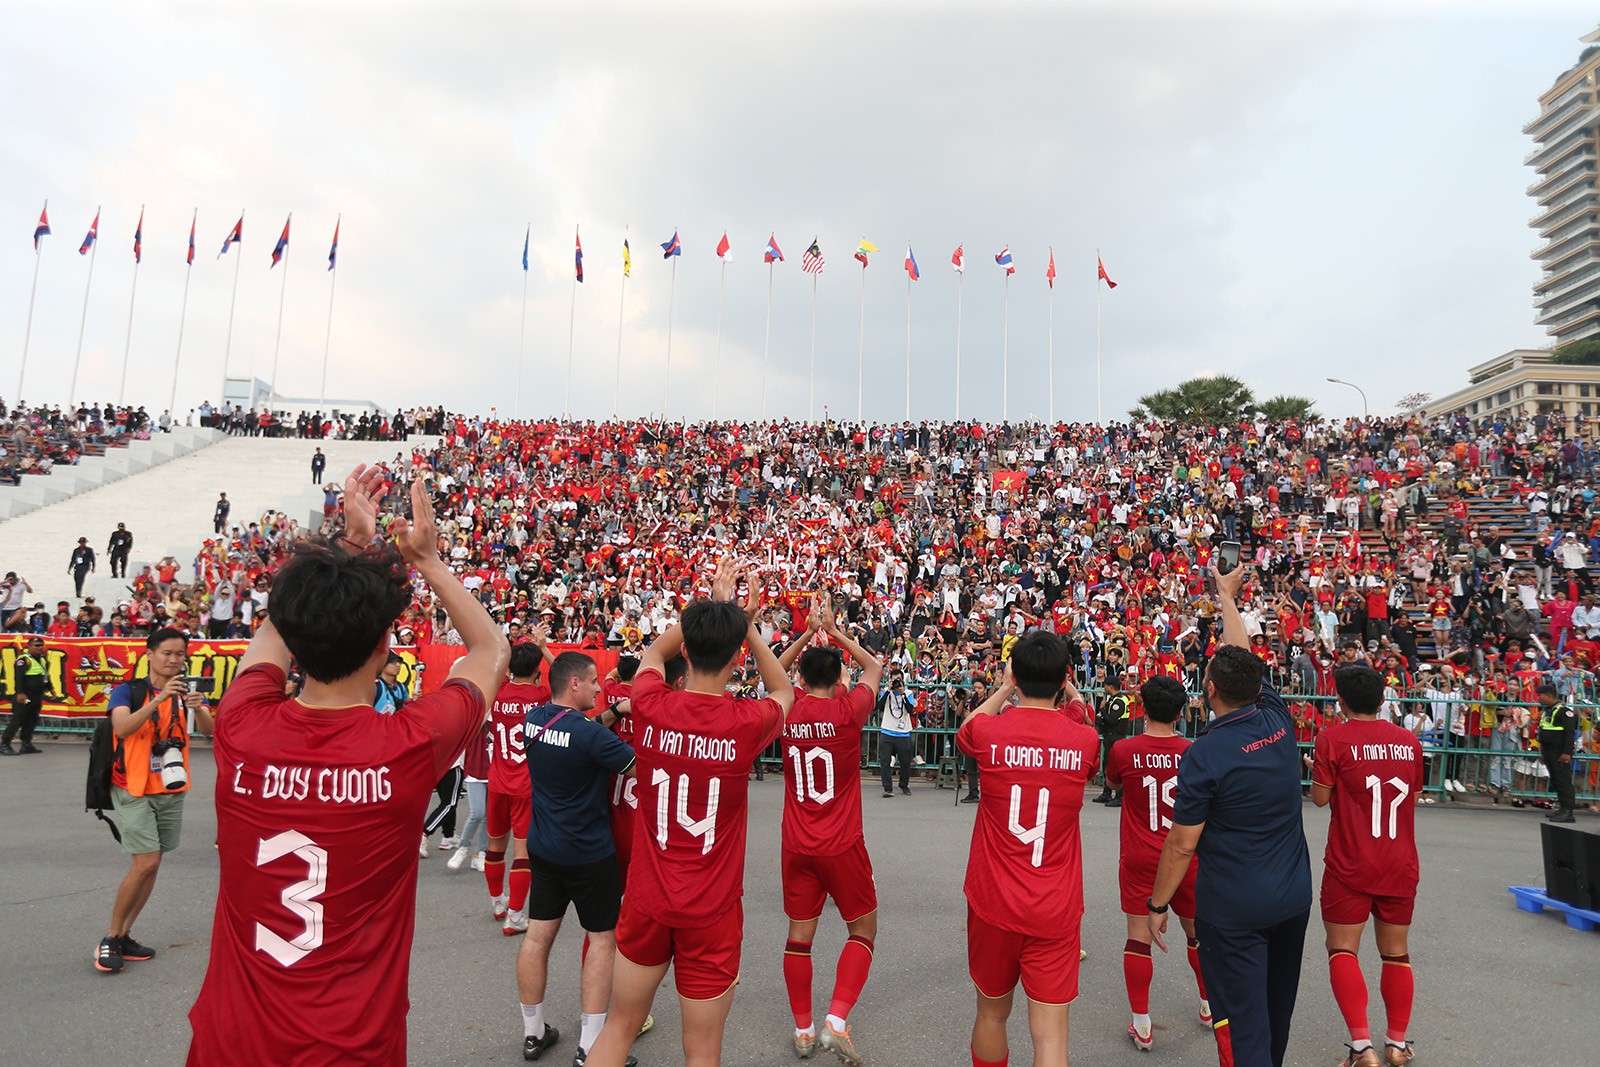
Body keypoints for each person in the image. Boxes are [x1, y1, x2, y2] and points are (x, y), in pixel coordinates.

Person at [185, 466, 509, 1065]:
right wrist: (427, 560)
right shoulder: (406, 746)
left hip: (230, 1041)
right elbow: (491, 650)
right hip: (351, 1047)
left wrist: (349, 545)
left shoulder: (241, 723)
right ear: (385, 646)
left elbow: (280, 626)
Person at [584, 558, 794, 1067]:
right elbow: (783, 690)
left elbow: (654, 652)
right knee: (702, 1052)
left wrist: (709, 609)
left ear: (688, 650)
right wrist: (745, 625)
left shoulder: (651, 703)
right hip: (711, 909)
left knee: (619, 1027)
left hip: (648, 897)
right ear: (736, 658)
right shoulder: (743, 722)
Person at [1147, 562, 1313, 1067]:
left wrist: (1158, 904)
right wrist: (1226, 597)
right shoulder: (1276, 717)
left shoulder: (1206, 753)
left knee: (1243, 1028)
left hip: (1236, 909)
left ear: (1211, 690)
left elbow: (1182, 844)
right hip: (1292, 898)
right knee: (1276, 1015)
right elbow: (1244, 658)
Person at [957, 631, 1099, 1067]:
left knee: (991, 1014)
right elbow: (1079, 719)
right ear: (1064, 677)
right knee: (1051, 1036)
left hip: (994, 900)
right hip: (1054, 904)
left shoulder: (989, 731)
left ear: (1015, 675)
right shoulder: (1083, 739)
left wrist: (1003, 689)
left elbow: (967, 727)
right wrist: (1072, 694)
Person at [774, 592, 884, 1063]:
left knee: (799, 936)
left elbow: (770, 672)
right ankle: (835, 1022)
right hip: (840, 841)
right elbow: (874, 667)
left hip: (796, 842)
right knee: (863, 928)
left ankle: (802, 1030)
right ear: (840, 678)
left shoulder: (789, 708)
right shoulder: (847, 711)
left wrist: (804, 636)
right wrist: (836, 632)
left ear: (800, 678)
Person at [515, 651, 638, 1064]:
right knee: (602, 940)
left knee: (537, 937)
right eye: (593, 682)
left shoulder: (535, 719)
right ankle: (591, 1045)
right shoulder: (589, 736)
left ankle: (533, 1033)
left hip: (543, 847)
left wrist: (615, 712)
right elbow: (636, 767)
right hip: (588, 853)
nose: (599, 688)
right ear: (574, 684)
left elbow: (580, 730)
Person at [1310, 663, 1425, 1067]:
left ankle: (1362, 1048)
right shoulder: (1408, 741)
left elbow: (1320, 798)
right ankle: (1397, 1044)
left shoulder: (1332, 738)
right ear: (1382, 700)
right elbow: (1413, 795)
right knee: (1396, 953)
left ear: (1341, 700)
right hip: (1399, 862)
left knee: (1343, 949)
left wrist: (1315, 770)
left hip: (1350, 862)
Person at [97, 627, 214, 973]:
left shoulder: (187, 690)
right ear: (149, 654)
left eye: (180, 654)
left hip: (171, 787)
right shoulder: (129, 690)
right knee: (146, 863)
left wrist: (198, 708)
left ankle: (124, 935)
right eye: (167, 653)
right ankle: (110, 937)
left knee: (153, 863)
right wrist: (160, 698)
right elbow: (122, 728)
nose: (174, 660)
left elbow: (210, 730)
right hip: (133, 787)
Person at [1105, 675, 1212, 1054]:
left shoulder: (1124, 749)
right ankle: (1208, 1005)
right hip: (1185, 855)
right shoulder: (1195, 751)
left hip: (1141, 856)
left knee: (1138, 937)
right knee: (1197, 934)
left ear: (1142, 709)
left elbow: (1113, 785)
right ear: (1181, 712)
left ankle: (1142, 1024)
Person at [486, 637, 555, 935]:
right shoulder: (540, 696)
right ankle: (514, 915)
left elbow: (497, 664)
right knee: (522, 851)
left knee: (494, 846)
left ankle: (497, 902)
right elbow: (564, 674)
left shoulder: (498, 690)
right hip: (526, 784)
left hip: (497, 781)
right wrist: (545, 648)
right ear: (537, 668)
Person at [1535, 681, 1579, 823]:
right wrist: (1543, 752)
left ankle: (1568, 811)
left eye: (1540, 696)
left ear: (1549, 695)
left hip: (1559, 752)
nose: (1538, 698)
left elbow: (1569, 734)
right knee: (1556, 780)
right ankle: (1562, 809)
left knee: (1563, 781)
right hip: (1549, 751)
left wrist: (1567, 753)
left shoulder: (1564, 712)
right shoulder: (1548, 711)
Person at [1, 635, 49, 755]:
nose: (39, 647)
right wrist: (20, 693)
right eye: (36, 645)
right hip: (25, 696)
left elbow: (44, 676)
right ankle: (4, 745)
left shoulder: (42, 659)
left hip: (36, 696)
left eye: (41, 645)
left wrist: (50, 689)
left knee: (31, 720)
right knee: (18, 720)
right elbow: (18, 678)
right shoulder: (24, 660)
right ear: (29, 646)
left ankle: (26, 744)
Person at [1093, 675, 1133, 806]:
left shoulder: (1119, 701)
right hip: (1109, 736)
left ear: (1110, 687)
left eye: (1105, 686)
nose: (1104, 688)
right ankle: (1107, 793)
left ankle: (1119, 796)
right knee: (1107, 765)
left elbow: (1112, 720)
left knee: (1115, 767)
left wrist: (1102, 709)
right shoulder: (1113, 699)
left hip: (1116, 736)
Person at [875, 675, 916, 798]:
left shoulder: (908, 693)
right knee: (885, 761)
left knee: (905, 762)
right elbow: (878, 706)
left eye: (898, 680)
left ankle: (904, 785)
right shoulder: (886, 692)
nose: (896, 684)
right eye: (894, 681)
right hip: (887, 731)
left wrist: (902, 693)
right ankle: (887, 788)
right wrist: (888, 690)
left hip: (903, 733)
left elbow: (910, 709)